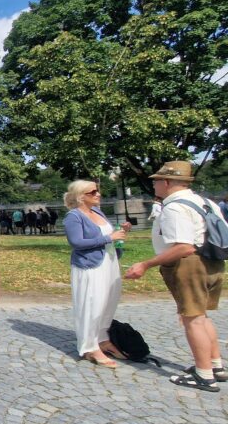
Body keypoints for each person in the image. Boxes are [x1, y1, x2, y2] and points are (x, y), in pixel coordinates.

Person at [125, 161, 226, 392]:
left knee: (193, 319)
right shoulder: (206, 202)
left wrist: (145, 264)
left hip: (190, 265)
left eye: (157, 181)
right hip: (213, 262)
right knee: (202, 317)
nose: (154, 184)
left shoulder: (174, 207)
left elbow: (184, 247)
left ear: (167, 182)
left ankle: (204, 375)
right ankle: (215, 365)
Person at [62, 182, 130, 368]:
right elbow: (77, 243)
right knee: (93, 304)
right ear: (80, 196)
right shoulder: (73, 217)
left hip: (109, 262)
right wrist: (109, 238)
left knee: (109, 301)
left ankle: (102, 338)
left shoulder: (98, 212)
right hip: (89, 266)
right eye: (93, 192)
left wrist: (121, 233)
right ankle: (89, 346)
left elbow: (108, 236)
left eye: (98, 190)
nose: (98, 194)